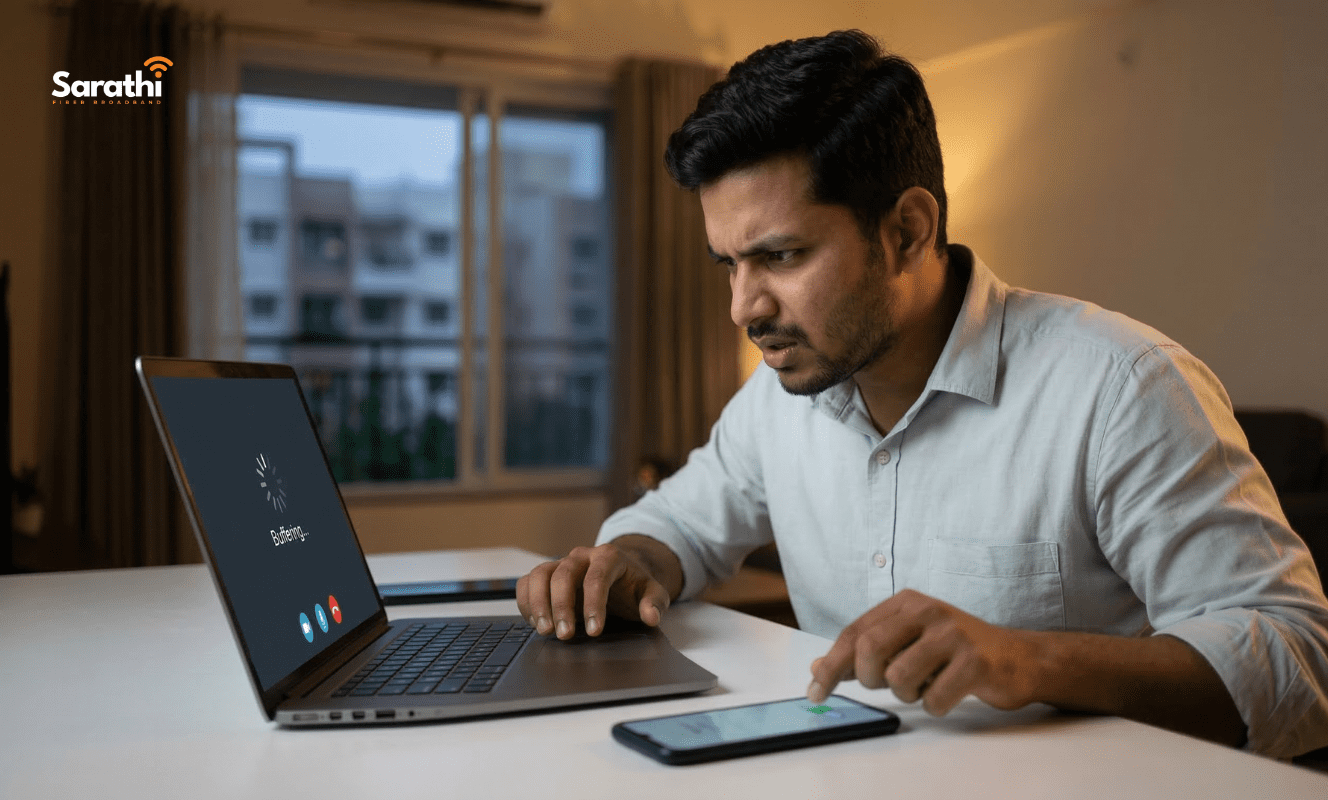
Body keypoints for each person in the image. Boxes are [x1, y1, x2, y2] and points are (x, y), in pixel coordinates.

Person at [515, 30, 1328, 758]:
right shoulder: (781, 399)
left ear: (907, 230)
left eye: (783, 257)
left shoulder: (1120, 386)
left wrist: (1025, 657)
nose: (744, 309)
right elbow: (678, 526)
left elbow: (1294, 658)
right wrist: (621, 565)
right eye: (730, 264)